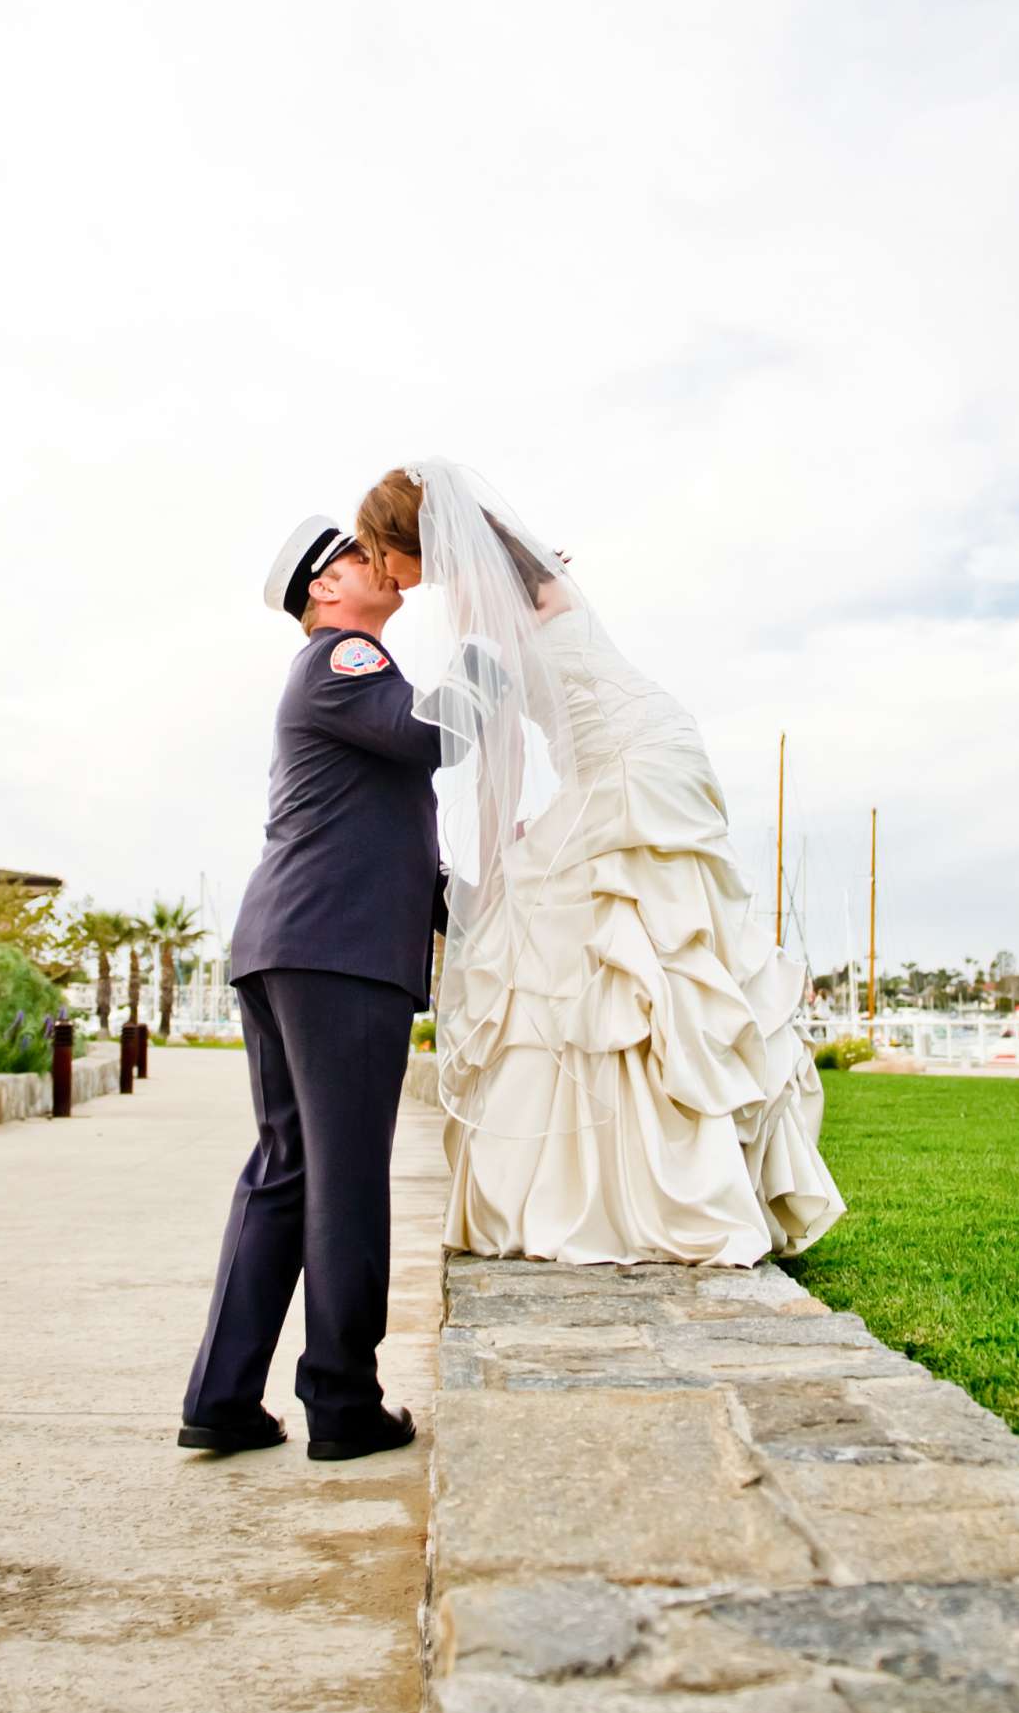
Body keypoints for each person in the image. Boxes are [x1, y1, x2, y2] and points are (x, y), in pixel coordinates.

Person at [354, 462, 845, 1267]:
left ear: (412, 539)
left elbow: (495, 739)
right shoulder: (522, 571)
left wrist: (492, 850)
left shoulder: (483, 598)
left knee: (631, 953)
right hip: (643, 745)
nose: (382, 573)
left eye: (380, 553)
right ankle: (685, 1177)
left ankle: (649, 1195)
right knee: (645, 957)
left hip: (624, 765)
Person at [178, 515, 445, 1460]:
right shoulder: (346, 660)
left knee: (285, 1172)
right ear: (322, 594)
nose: (376, 562)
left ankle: (222, 1398)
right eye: (351, 557)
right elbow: (428, 739)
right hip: (338, 953)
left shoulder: (334, 671)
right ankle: (341, 1403)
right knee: (342, 1177)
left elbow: (372, 821)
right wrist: (503, 643)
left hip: (289, 943)